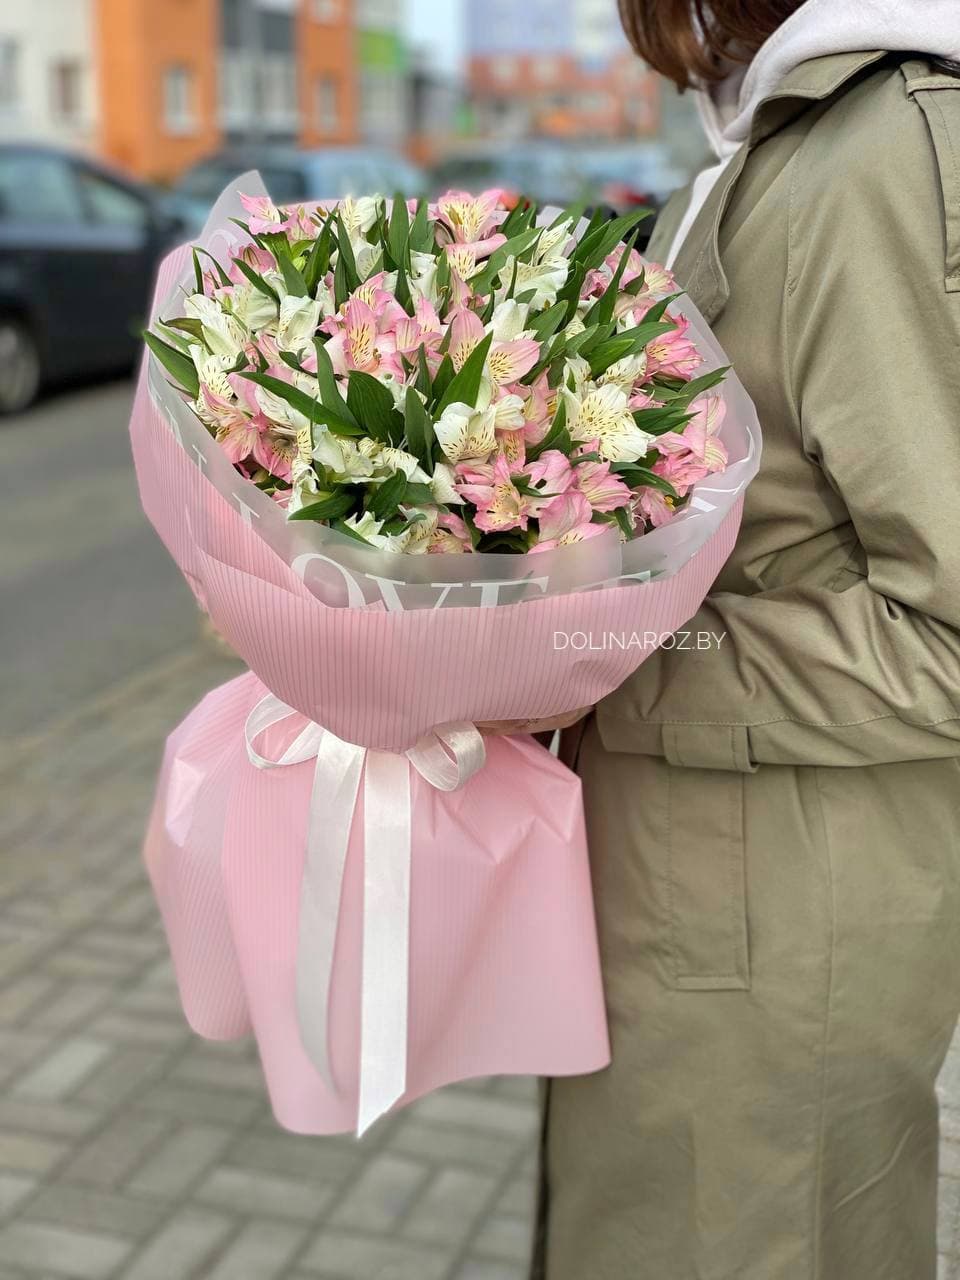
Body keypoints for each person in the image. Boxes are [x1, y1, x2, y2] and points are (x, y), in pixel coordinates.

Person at [522, 2, 960, 1276]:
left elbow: (944, 628)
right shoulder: (782, 140)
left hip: (775, 923)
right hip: (710, 895)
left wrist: (609, 663)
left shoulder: (885, 146)